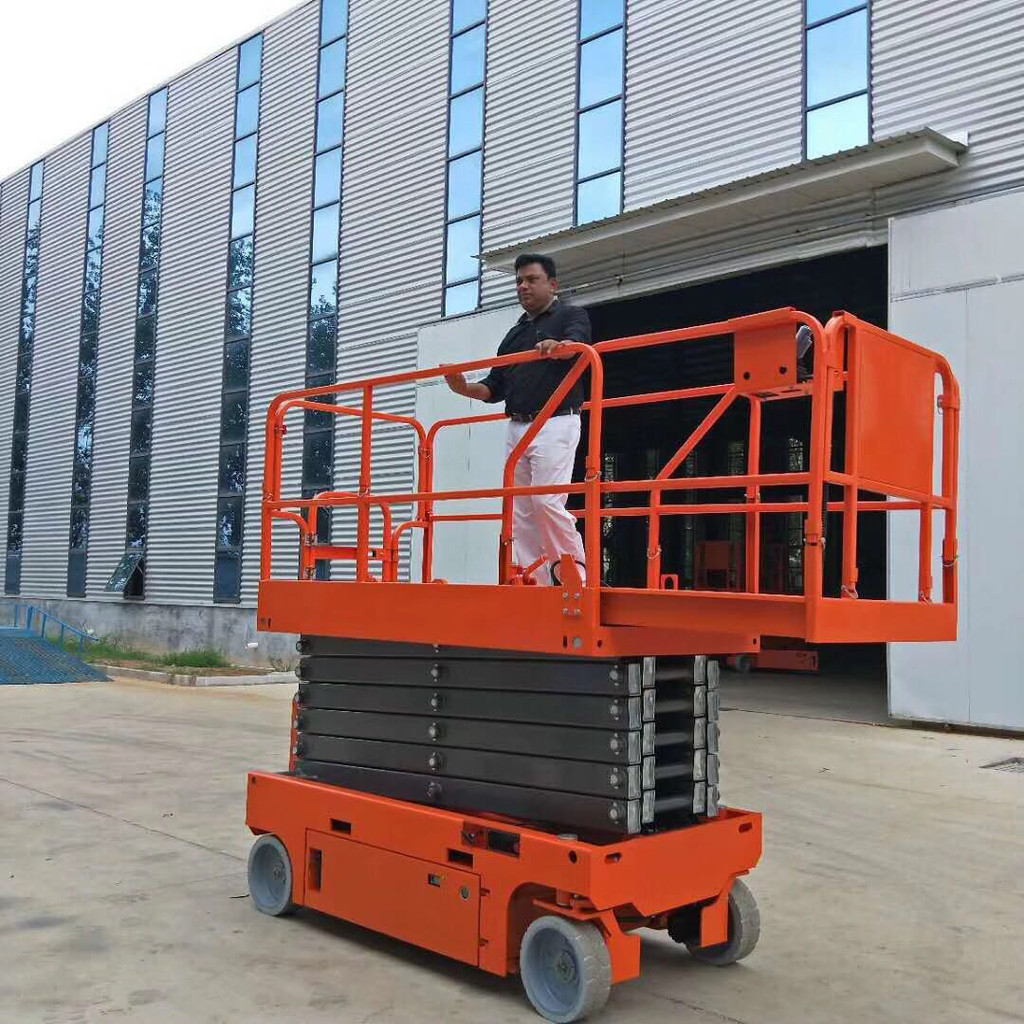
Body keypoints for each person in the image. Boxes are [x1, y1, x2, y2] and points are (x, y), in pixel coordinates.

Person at [444, 254, 590, 586]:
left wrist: (561, 346)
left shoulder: (571, 315)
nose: (523, 286)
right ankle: (536, 580)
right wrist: (462, 387)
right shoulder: (514, 335)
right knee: (522, 509)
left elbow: (578, 345)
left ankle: (574, 576)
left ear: (552, 285)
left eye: (531, 279)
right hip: (517, 426)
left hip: (555, 421)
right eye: (519, 281)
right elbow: (494, 387)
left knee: (546, 500)